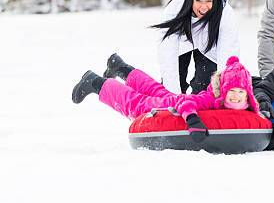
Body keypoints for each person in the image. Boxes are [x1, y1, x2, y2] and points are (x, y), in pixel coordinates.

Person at [71, 54, 261, 142]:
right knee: (137, 104)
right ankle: (94, 82)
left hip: (171, 97)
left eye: (240, 92)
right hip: (172, 105)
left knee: (154, 89)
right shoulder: (212, 99)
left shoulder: (247, 103)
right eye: (232, 92)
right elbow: (188, 103)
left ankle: (119, 66)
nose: (236, 97)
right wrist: (193, 120)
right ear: (224, 90)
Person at [151, 0, 239, 94]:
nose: (204, 7)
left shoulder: (225, 13)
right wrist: (173, 98)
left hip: (209, 46)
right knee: (176, 82)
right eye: (198, 1)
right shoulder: (174, 10)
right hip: (181, 43)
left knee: (204, 87)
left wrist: (225, 93)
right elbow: (167, 54)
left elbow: (228, 52)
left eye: (209, 1)